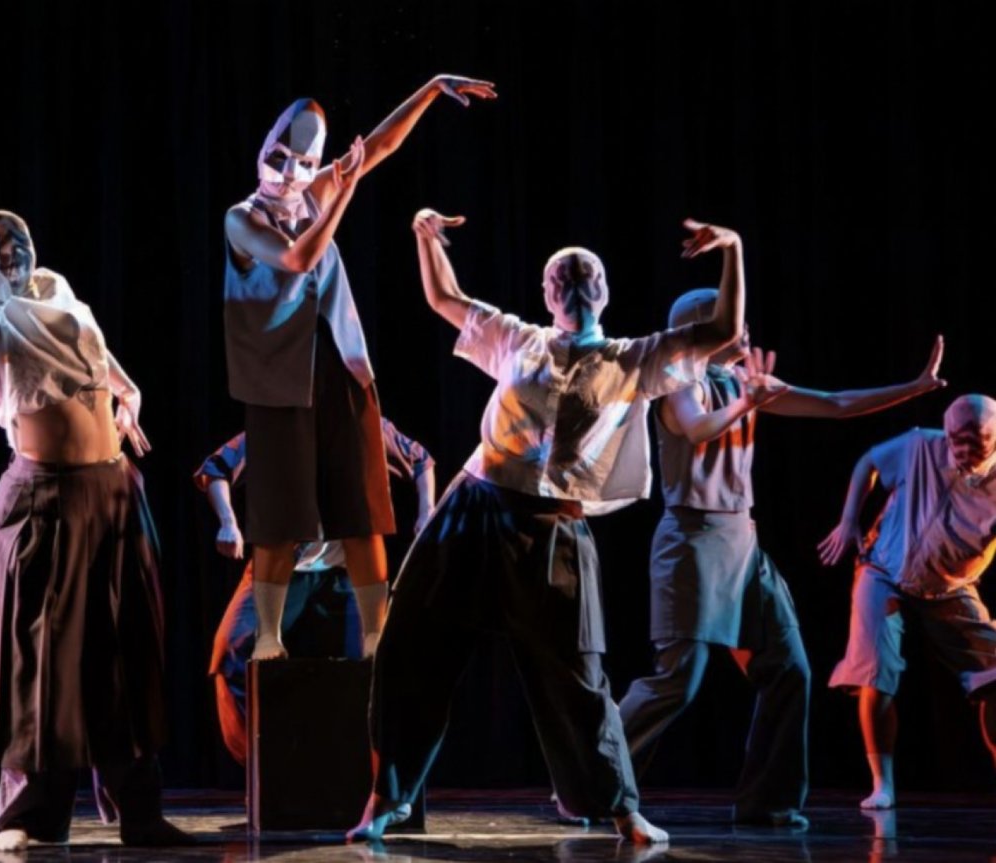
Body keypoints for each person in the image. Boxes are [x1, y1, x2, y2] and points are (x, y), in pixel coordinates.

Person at [351, 210, 750, 845]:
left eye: (583, 274)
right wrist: (426, 238)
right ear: (547, 294)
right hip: (475, 508)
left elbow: (722, 329)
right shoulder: (517, 340)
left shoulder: (634, 359)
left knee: (578, 675)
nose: (572, 282)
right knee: (410, 644)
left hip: (554, 527)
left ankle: (621, 807)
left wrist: (732, 250)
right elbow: (445, 298)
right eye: (560, 277)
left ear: (604, 291)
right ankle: (386, 797)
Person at [0, 102, 186, 850]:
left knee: (125, 650)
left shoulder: (54, 288)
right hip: (47, 497)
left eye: (22, 238)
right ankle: (33, 812)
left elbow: (92, 348)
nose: (14, 248)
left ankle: (140, 810)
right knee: (42, 657)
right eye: (1, 241)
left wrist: (127, 390)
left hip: (114, 489)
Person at [616, 289, 946, 827]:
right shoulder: (678, 381)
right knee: (678, 679)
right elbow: (697, 427)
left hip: (743, 543)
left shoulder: (741, 381)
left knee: (789, 670)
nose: (744, 330)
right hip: (693, 541)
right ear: (702, 328)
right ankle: (591, 783)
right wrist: (748, 403)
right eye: (732, 321)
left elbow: (834, 404)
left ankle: (768, 803)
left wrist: (913, 388)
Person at [224, 75, 495, 661]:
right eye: (281, 157)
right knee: (280, 513)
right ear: (264, 148)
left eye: (306, 163)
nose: (291, 173)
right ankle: (269, 637)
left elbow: (379, 145)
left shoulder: (317, 191)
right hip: (278, 381)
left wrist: (429, 90)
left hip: (341, 369)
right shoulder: (241, 219)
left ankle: (376, 636)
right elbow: (298, 258)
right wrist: (341, 193)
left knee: (360, 506)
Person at [197, 418, 436, 765]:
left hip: (348, 573)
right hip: (284, 571)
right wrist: (227, 522)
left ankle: (375, 772)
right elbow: (216, 468)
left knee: (376, 663)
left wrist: (427, 512)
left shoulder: (366, 425)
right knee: (232, 647)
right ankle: (263, 763)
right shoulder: (278, 425)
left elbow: (421, 460)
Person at [820, 394, 996, 809]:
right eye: (957, 440)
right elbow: (869, 462)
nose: (964, 450)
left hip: (951, 586)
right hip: (884, 570)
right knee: (874, 671)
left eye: (978, 442)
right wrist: (849, 520)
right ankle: (882, 784)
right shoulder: (921, 446)